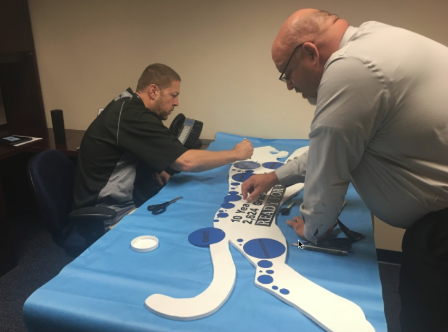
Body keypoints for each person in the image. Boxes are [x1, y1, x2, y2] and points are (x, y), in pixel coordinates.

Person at [241, 9, 448, 331]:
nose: (289, 86)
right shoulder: (375, 40)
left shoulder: (351, 68)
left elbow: (329, 168)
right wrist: (274, 177)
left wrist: (312, 228)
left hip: (441, 231)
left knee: (425, 321)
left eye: (287, 73)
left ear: (310, 53)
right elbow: (333, 147)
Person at [74, 63, 253, 225]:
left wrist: (158, 167)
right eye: (173, 95)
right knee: (184, 227)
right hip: (110, 211)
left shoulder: (128, 105)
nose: (176, 103)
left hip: (128, 198)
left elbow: (135, 147)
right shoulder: (133, 115)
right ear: (153, 91)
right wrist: (235, 154)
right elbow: (186, 161)